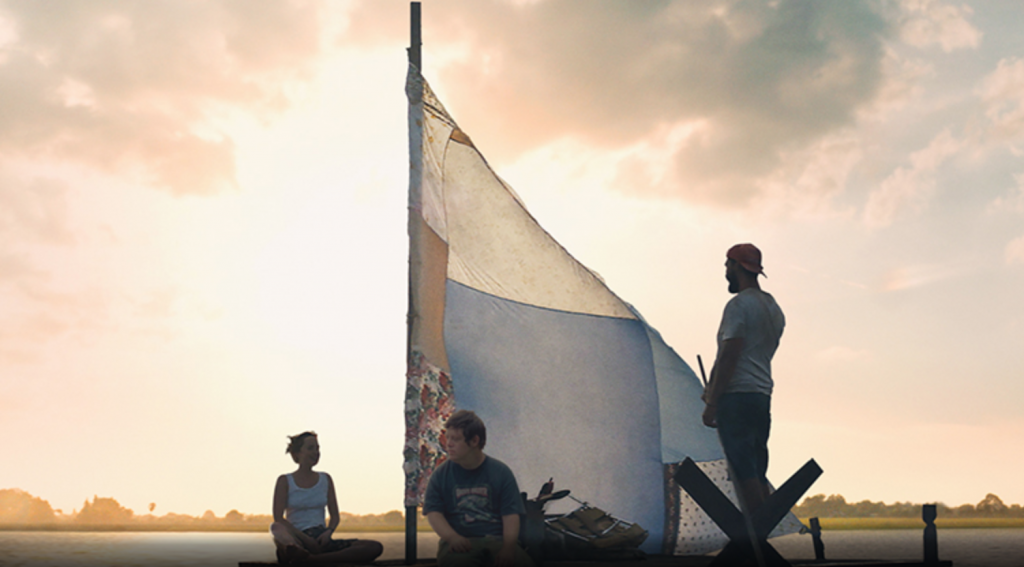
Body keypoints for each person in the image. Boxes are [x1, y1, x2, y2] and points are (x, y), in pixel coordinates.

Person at [702, 243, 785, 514]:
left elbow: (730, 354)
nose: (726, 271)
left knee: (742, 466)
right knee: (757, 466)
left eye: (727, 265)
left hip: (736, 396)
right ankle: (759, 535)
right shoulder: (773, 309)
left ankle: (755, 537)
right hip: (761, 396)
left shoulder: (738, 305)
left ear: (737, 266)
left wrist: (713, 401)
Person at [423, 410, 533, 567]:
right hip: (459, 542)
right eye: (448, 438)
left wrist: (508, 548)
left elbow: (510, 515)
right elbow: (434, 514)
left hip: (497, 540)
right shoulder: (440, 475)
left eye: (455, 439)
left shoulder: (501, 472)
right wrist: (452, 538)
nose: (449, 444)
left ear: (474, 441)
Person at [270, 431, 383, 565]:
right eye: (310, 448)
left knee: (374, 547)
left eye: (318, 448)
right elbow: (278, 517)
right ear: (297, 453)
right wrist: (306, 540)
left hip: (320, 538)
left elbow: (334, 516)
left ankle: (311, 560)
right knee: (276, 527)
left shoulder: (325, 479)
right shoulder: (285, 481)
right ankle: (298, 554)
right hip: (296, 538)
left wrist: (328, 533)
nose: (316, 452)